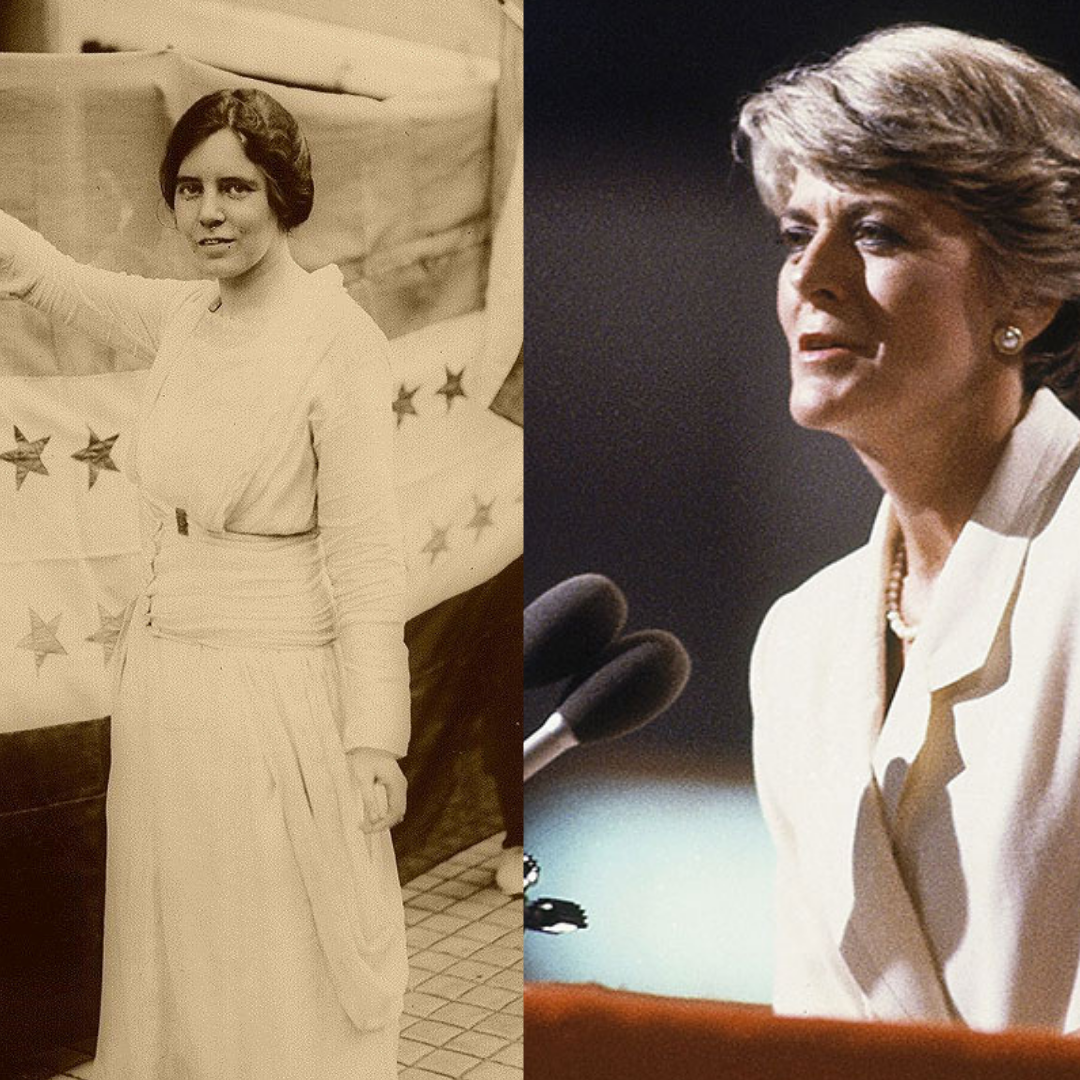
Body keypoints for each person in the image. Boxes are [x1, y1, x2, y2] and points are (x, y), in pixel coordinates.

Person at [1, 88, 411, 1076]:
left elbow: (364, 559)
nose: (211, 211)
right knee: (178, 947)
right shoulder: (187, 315)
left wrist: (372, 740)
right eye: (190, 189)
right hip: (167, 691)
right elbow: (56, 280)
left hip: (277, 693)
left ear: (282, 194)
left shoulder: (334, 339)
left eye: (236, 186)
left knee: (269, 955)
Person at [737, 24, 1080, 1032]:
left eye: (878, 231)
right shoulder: (800, 640)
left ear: (1026, 294)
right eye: (798, 232)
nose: (815, 276)